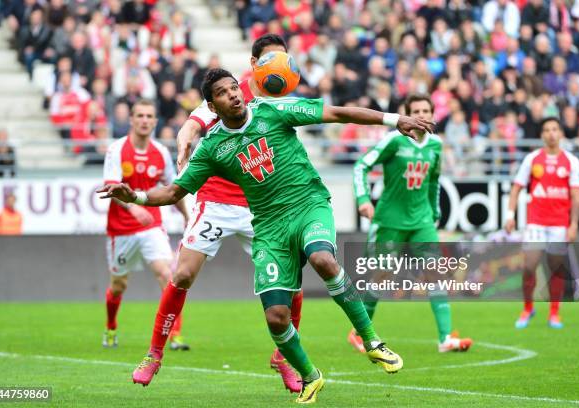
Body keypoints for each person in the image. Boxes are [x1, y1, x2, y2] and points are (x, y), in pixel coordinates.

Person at [98, 68, 434, 404]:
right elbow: (174, 191)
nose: (234, 94)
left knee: (322, 259)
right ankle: (310, 376)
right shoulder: (213, 147)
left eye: (234, 88)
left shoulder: (273, 110)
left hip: (307, 205)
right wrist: (136, 197)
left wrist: (393, 120)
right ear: (213, 106)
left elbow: (336, 112)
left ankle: (372, 342)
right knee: (273, 316)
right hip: (266, 224)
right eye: (224, 92)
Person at [173, 34, 304, 393]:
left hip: (263, 205)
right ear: (254, 64)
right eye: (270, 60)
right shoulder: (233, 92)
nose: (278, 67)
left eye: (283, 60)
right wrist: (185, 137)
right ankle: (154, 353)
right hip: (217, 199)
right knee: (182, 273)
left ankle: (284, 357)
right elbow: (195, 120)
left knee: (294, 285)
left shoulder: (283, 98)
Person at [350, 94, 473, 353]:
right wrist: (363, 199)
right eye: (416, 110)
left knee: (435, 272)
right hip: (391, 220)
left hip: (421, 220)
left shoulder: (436, 146)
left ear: (432, 114)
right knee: (382, 276)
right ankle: (359, 332)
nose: (422, 115)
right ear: (407, 114)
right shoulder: (395, 140)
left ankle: (445, 338)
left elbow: (433, 181)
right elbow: (361, 165)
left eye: (426, 110)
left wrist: (435, 210)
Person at [101, 99, 189, 350]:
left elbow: (175, 189)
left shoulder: (160, 152)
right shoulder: (117, 150)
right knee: (119, 286)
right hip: (121, 230)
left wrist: (186, 216)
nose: (144, 120)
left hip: (152, 226)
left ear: (155, 121)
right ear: (131, 119)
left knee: (168, 275)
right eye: (139, 115)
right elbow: (111, 188)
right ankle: (111, 327)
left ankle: (175, 335)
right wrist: (134, 208)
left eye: (149, 116)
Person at [505, 117, 579, 329]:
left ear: (560, 134)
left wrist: (573, 224)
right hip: (536, 223)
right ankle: (528, 308)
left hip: (559, 224)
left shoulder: (571, 162)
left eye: (555, 129)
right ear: (541, 135)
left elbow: (576, 196)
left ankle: (554, 313)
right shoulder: (532, 159)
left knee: (556, 267)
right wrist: (510, 215)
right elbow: (516, 188)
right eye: (547, 130)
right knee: (529, 266)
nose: (551, 133)